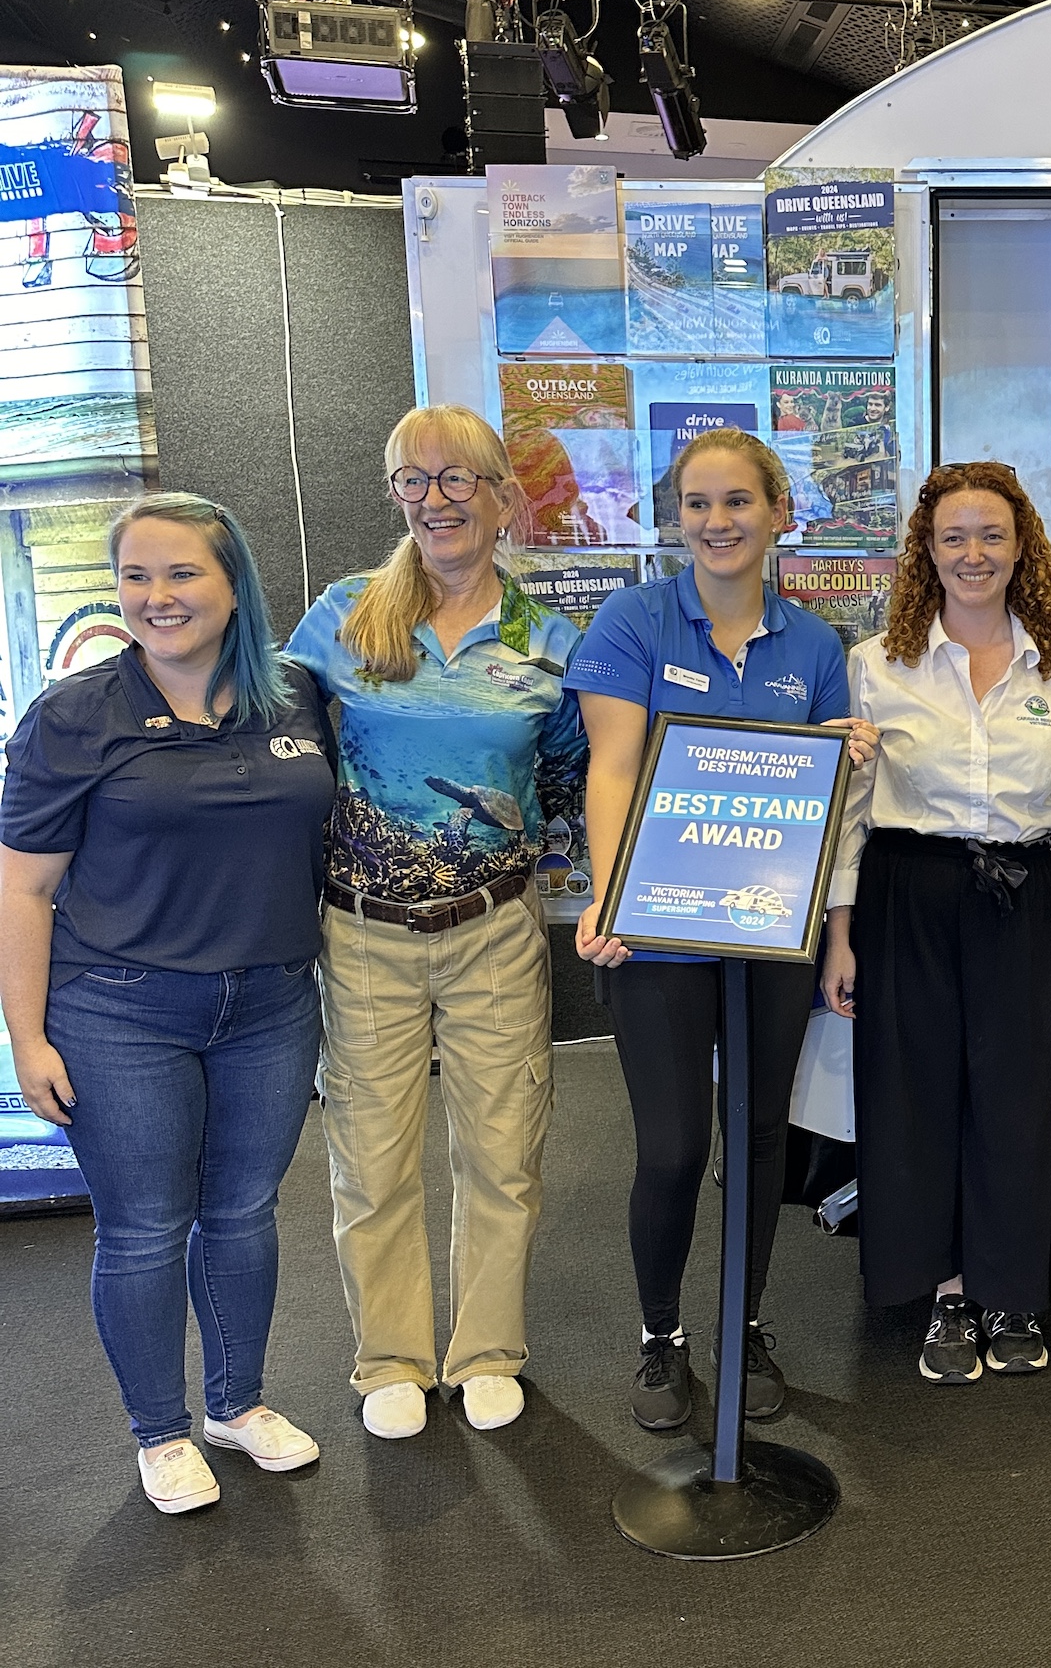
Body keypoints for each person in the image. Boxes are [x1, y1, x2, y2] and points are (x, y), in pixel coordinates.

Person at [0, 494, 334, 1514]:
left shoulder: (296, 695)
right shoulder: (75, 714)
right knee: (145, 1227)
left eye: (182, 572)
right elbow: (22, 886)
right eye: (136, 576)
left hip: (272, 1004)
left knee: (241, 1213)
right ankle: (160, 1429)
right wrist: (26, 1037)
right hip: (120, 1013)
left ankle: (236, 1403)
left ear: (234, 584)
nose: (157, 596)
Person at [285, 405, 586, 1441]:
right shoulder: (345, 614)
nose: (435, 500)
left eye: (458, 479)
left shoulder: (546, 640)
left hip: (494, 927)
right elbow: (280, 748)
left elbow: (571, 774)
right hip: (362, 928)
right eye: (412, 480)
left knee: (504, 1150)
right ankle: (392, 1358)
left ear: (502, 497)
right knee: (371, 1157)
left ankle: (488, 1350)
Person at [570, 428, 874, 1430]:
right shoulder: (634, 620)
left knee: (757, 1138)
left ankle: (743, 1322)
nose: (717, 521)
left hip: (770, 936)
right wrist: (610, 895)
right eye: (697, 503)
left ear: (778, 512)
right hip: (656, 936)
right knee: (670, 1148)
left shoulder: (815, 647)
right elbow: (612, 767)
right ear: (675, 518)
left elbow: (824, 808)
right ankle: (661, 1336)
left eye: (738, 500)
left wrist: (844, 762)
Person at [820, 460, 1051, 1385]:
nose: (973, 554)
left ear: (1022, 548)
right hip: (906, 892)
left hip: (1022, 895)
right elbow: (850, 812)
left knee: (1013, 1102)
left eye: (992, 535)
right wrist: (840, 932)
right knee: (914, 1096)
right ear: (927, 552)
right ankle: (943, 1291)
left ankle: (1010, 1292)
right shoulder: (877, 664)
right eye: (954, 537)